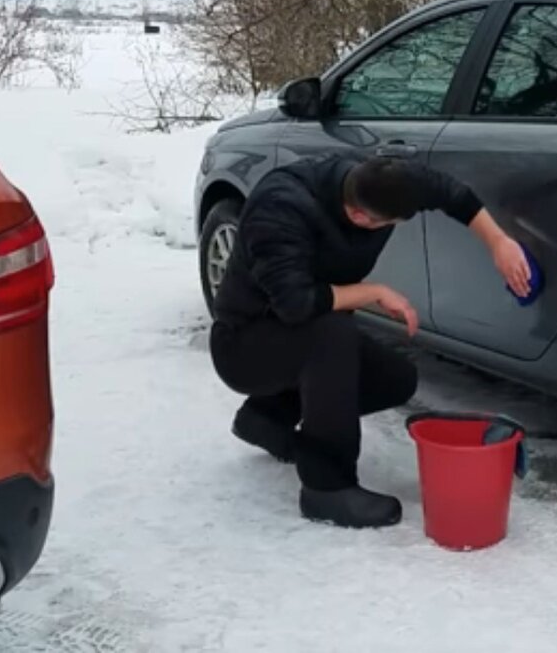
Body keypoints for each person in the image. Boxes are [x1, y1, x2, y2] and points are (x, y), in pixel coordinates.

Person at [208, 152, 531, 529]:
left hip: (302, 338)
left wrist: (498, 243)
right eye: (390, 224)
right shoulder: (281, 209)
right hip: (245, 345)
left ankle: (265, 418)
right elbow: (297, 305)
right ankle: (326, 488)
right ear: (361, 217)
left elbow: (453, 194)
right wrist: (372, 291)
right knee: (332, 333)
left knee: (395, 380)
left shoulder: (383, 178)